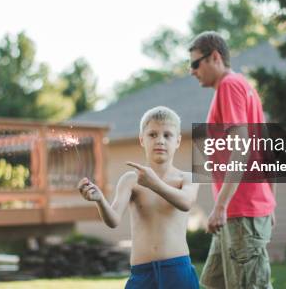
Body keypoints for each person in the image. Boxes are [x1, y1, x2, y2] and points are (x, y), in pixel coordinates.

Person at [189, 31, 276, 289]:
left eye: (195, 64)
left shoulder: (229, 86)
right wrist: (271, 201)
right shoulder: (243, 87)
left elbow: (243, 148)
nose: (192, 71)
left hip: (239, 211)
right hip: (239, 211)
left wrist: (221, 206)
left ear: (214, 57)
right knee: (215, 283)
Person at [77, 106, 200, 289]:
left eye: (167, 135)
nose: (160, 140)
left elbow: (186, 203)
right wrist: (100, 200)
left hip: (177, 270)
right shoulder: (130, 179)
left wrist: (153, 183)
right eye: (152, 135)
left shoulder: (187, 178)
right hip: (142, 273)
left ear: (178, 141)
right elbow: (113, 220)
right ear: (142, 140)